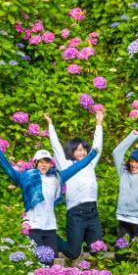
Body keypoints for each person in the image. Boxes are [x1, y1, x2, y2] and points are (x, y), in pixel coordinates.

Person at [0, 142, 97, 264]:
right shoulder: (26, 177)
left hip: (50, 228)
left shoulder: (57, 177)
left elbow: (77, 167)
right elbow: (9, 170)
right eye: (40, 162)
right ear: (35, 163)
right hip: (33, 227)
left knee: (50, 262)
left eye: (46, 161)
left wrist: (92, 154)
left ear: (51, 164)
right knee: (38, 261)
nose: (43, 164)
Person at [45, 110, 104, 260]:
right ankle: (49, 236)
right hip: (76, 214)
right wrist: (50, 125)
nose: (83, 152)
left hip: (92, 213)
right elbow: (56, 146)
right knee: (73, 253)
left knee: (97, 250)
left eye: (84, 149)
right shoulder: (65, 165)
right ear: (71, 151)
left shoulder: (90, 164)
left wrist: (99, 124)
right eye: (78, 150)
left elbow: (97, 147)